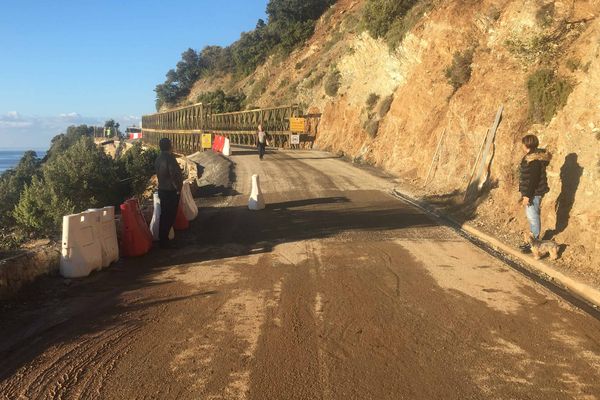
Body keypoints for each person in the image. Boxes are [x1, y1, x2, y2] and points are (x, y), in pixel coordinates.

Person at [518, 134, 552, 252]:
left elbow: (534, 180)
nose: (522, 145)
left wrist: (527, 195)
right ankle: (531, 242)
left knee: (533, 217)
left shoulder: (534, 160)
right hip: (532, 192)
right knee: (531, 216)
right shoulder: (531, 157)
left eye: (523, 143)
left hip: (534, 193)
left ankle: (535, 243)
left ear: (527, 144)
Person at [155, 138, 183, 249]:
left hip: (162, 189)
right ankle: (164, 241)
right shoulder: (170, 159)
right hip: (171, 191)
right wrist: (178, 189)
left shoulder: (158, 159)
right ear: (169, 146)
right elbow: (175, 175)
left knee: (164, 215)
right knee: (170, 216)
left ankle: (163, 239)